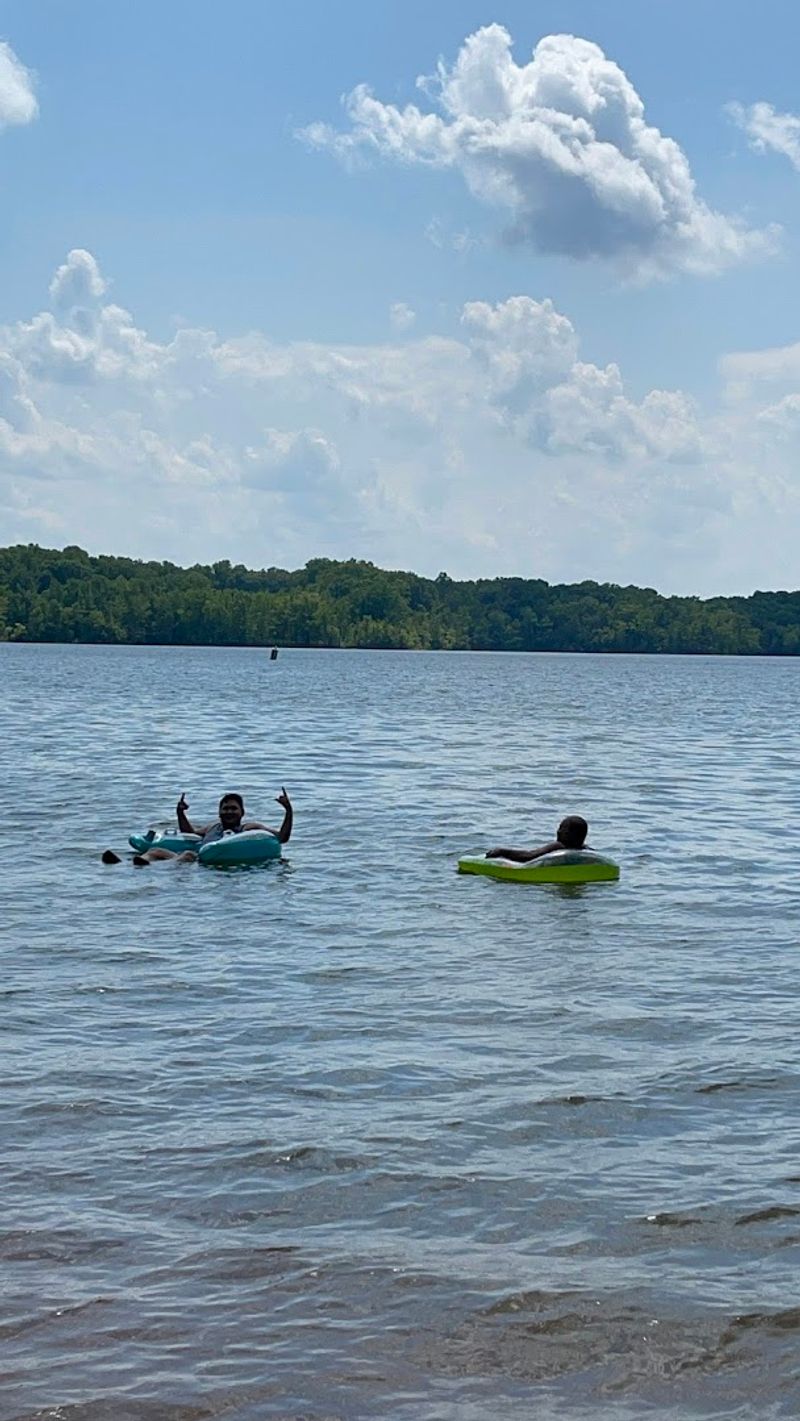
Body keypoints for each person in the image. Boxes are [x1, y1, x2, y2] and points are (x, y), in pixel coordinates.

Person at [102, 788, 293, 865]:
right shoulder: (213, 827)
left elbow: (281, 837)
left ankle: (156, 868)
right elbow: (189, 833)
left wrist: (288, 810)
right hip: (194, 858)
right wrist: (180, 813)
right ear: (219, 812)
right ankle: (125, 864)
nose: (229, 812)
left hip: (202, 861)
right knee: (156, 849)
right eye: (225, 809)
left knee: (187, 855)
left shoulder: (249, 828)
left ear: (242, 812)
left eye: (233, 809)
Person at [485, 815, 588, 863]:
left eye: (562, 829)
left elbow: (529, 856)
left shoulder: (558, 846)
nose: (558, 832)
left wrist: (502, 851)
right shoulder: (585, 850)